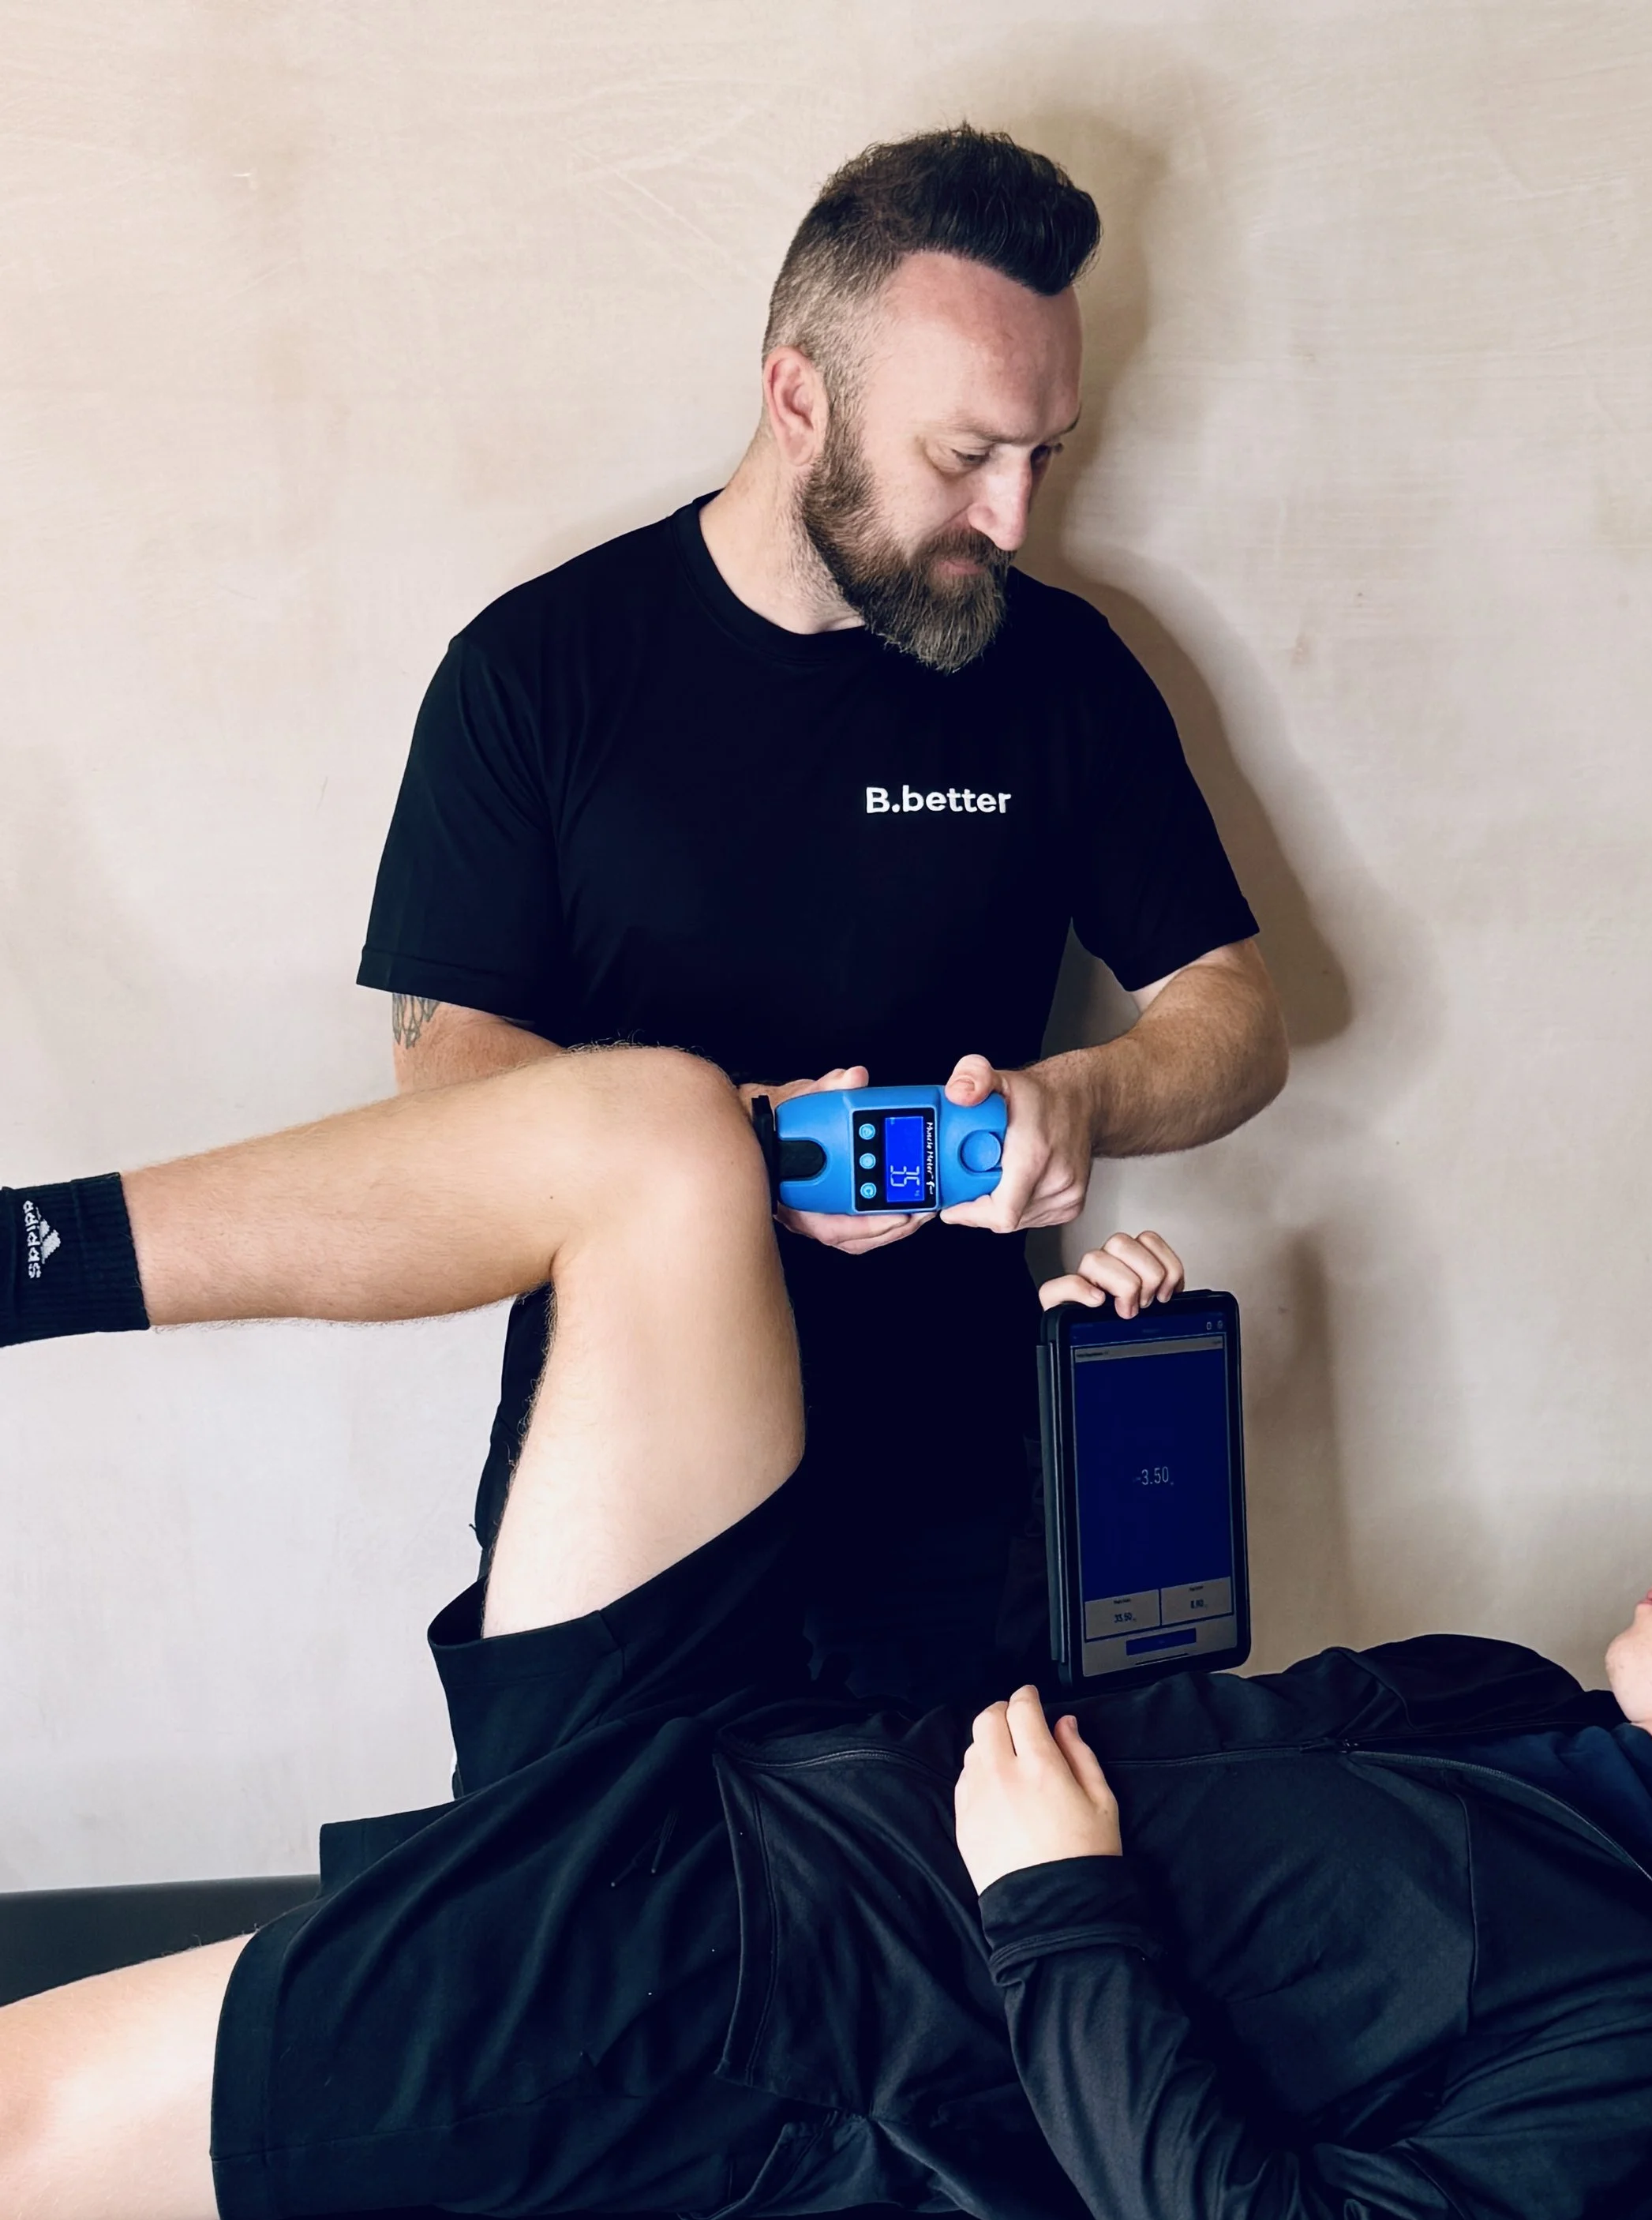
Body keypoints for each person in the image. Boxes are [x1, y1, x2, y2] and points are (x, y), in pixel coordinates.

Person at [3, 1052, 1652, 2220]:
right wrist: (1086, 1428)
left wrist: (1058, 1904)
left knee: (26, 2114)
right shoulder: (1499, 1694)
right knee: (658, 1138)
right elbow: (1106, 1717)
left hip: (725, 1982)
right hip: (749, 1742)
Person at [356, 125, 1289, 1706]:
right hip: (620, 1476)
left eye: (1044, 455)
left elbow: (1236, 1014)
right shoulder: (537, 673)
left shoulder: (1062, 673)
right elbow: (446, 1088)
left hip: (958, 1499)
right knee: (591, 1869)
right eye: (965, 454)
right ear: (800, 400)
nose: (1012, 516)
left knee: (965, 1867)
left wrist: (1083, 1097)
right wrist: (740, 1151)